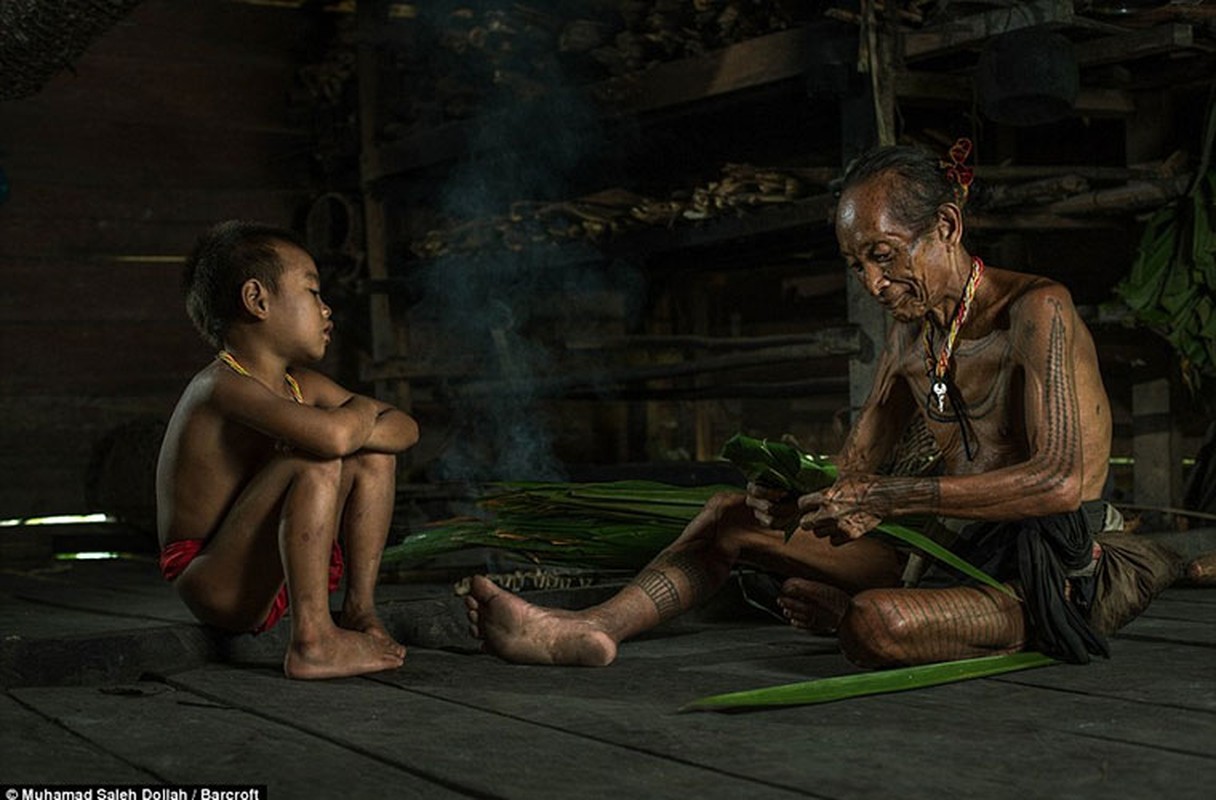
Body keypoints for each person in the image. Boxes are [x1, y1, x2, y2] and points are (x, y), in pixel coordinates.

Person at [463, 144, 1182, 668]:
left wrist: (891, 498)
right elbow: (854, 476)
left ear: (948, 229)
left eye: (884, 254)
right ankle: (589, 628)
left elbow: (1058, 479)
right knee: (727, 516)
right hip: (947, 553)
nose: (872, 282)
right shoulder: (908, 340)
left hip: (1046, 567)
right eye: (855, 264)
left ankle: (1028, 625)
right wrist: (802, 501)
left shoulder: (1038, 310)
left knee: (873, 625)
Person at [156, 220, 418, 679]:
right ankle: (313, 640)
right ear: (257, 300)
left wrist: (349, 426)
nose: (327, 309)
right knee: (311, 456)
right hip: (216, 580)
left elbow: (405, 427)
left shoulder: (302, 385)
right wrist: (355, 416)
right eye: (313, 292)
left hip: (269, 573)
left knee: (372, 455)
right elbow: (335, 439)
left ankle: (359, 613)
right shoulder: (220, 387)